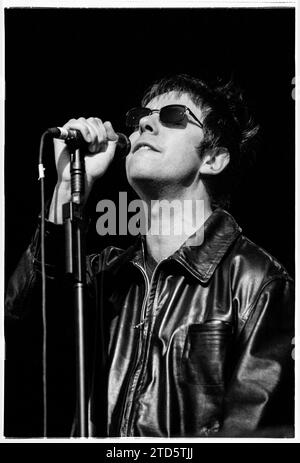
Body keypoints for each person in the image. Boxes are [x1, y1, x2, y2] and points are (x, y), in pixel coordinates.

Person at [5, 74, 294, 438]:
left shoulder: (257, 282)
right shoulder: (102, 274)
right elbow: (22, 335)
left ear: (215, 158)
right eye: (142, 116)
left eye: (173, 116)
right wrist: (66, 187)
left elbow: (252, 431)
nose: (144, 123)